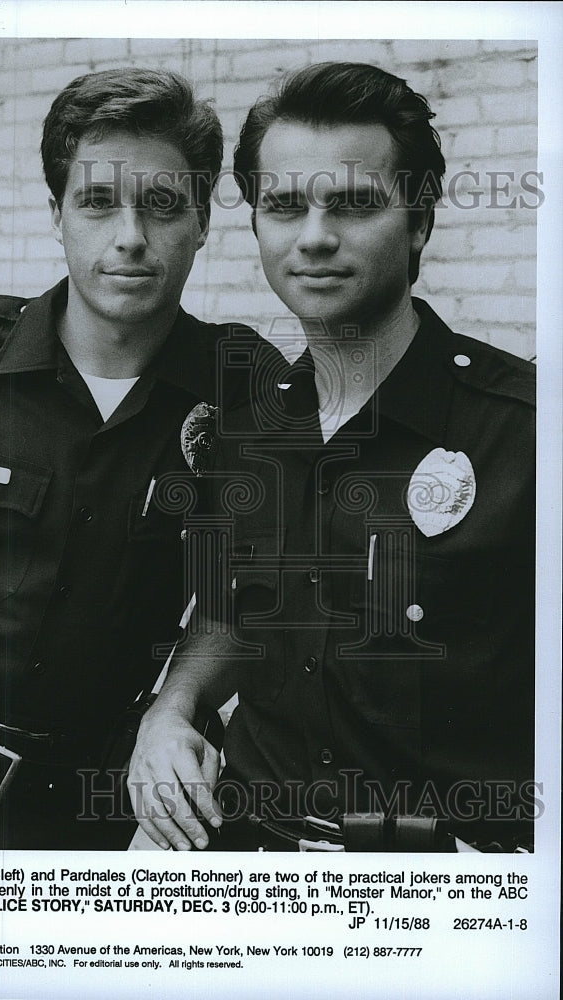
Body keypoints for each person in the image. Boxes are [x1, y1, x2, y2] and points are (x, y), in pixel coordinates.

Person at [0, 68, 280, 850]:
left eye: (163, 203)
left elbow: (243, 596)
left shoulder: (241, 388)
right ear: (58, 215)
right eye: (98, 201)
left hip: (69, 816)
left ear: (203, 221)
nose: (130, 234)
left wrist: (175, 707)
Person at [128, 62, 536, 853]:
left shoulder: (525, 434)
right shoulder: (248, 430)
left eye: (353, 204)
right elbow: (229, 613)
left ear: (419, 221)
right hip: (245, 863)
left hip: (438, 900)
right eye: (284, 206)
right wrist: (171, 708)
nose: (314, 236)